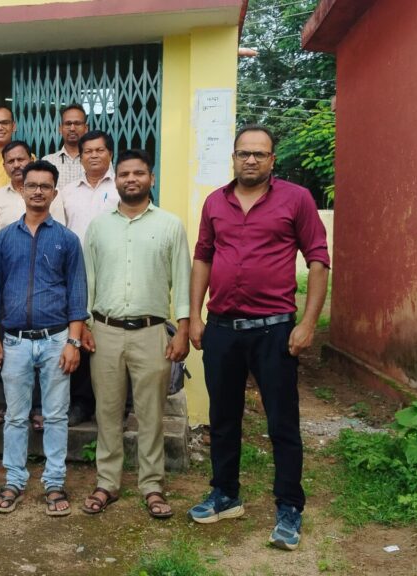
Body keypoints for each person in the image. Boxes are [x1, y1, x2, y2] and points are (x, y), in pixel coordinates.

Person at [187, 125, 330, 552]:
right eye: (243, 153)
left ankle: (289, 506)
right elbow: (203, 258)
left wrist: (308, 324)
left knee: (281, 422)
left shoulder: (296, 199)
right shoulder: (215, 202)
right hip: (222, 329)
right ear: (233, 157)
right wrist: (194, 316)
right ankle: (225, 494)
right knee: (223, 418)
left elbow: (318, 260)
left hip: (274, 330)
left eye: (259, 154)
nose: (250, 160)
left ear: (272, 160)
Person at [80, 149, 190, 519]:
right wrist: (86, 325)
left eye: (138, 173)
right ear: (116, 179)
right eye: (124, 173)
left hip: (151, 332)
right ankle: (107, 482)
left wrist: (182, 330)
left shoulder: (170, 225)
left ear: (150, 179)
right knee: (107, 411)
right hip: (105, 332)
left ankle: (152, 485)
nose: (131, 179)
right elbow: (87, 281)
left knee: (151, 413)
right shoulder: (99, 227)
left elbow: (183, 280)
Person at [0, 160, 88, 517]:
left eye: (45, 186)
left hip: (56, 339)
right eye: (32, 185)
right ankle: (14, 479)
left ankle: (54, 482)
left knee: (56, 416)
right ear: (22, 190)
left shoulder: (67, 240)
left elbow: (77, 295)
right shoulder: (5, 238)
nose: (38, 191)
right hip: (14, 342)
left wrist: (73, 342)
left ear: (54, 193)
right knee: (16, 416)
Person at [0, 141, 66, 427]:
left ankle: (39, 409)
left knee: (47, 354)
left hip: (47, 286)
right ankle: (13, 407)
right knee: (12, 356)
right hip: (12, 282)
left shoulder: (52, 200)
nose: (17, 164)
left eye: (21, 159)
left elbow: (58, 234)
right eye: (11, 160)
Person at [58, 129, 119, 426]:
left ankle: (115, 402)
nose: (93, 155)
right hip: (76, 274)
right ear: (80, 157)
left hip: (113, 274)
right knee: (79, 330)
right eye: (88, 151)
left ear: (110, 154)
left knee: (110, 336)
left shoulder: (121, 189)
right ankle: (81, 402)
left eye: (99, 150)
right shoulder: (66, 192)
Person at [41, 104, 88, 188]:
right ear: (60, 129)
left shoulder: (97, 160)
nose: (72, 128)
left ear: (86, 128)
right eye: (68, 124)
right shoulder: (47, 161)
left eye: (77, 123)